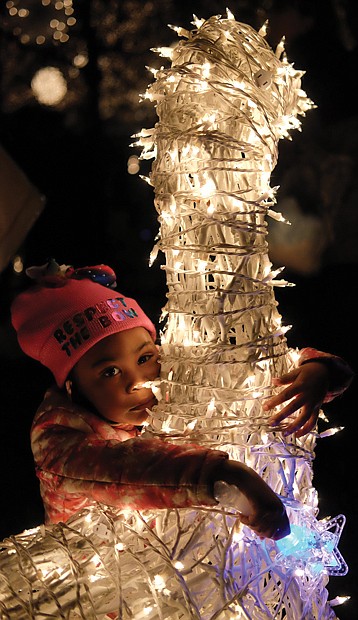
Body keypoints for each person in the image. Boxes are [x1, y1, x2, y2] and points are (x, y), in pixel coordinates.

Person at [10, 260, 353, 539]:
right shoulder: (57, 442)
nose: (139, 381)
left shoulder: (171, 378)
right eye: (109, 372)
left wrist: (315, 369)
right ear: (73, 388)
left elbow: (242, 369)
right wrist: (227, 475)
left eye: (145, 357)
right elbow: (126, 470)